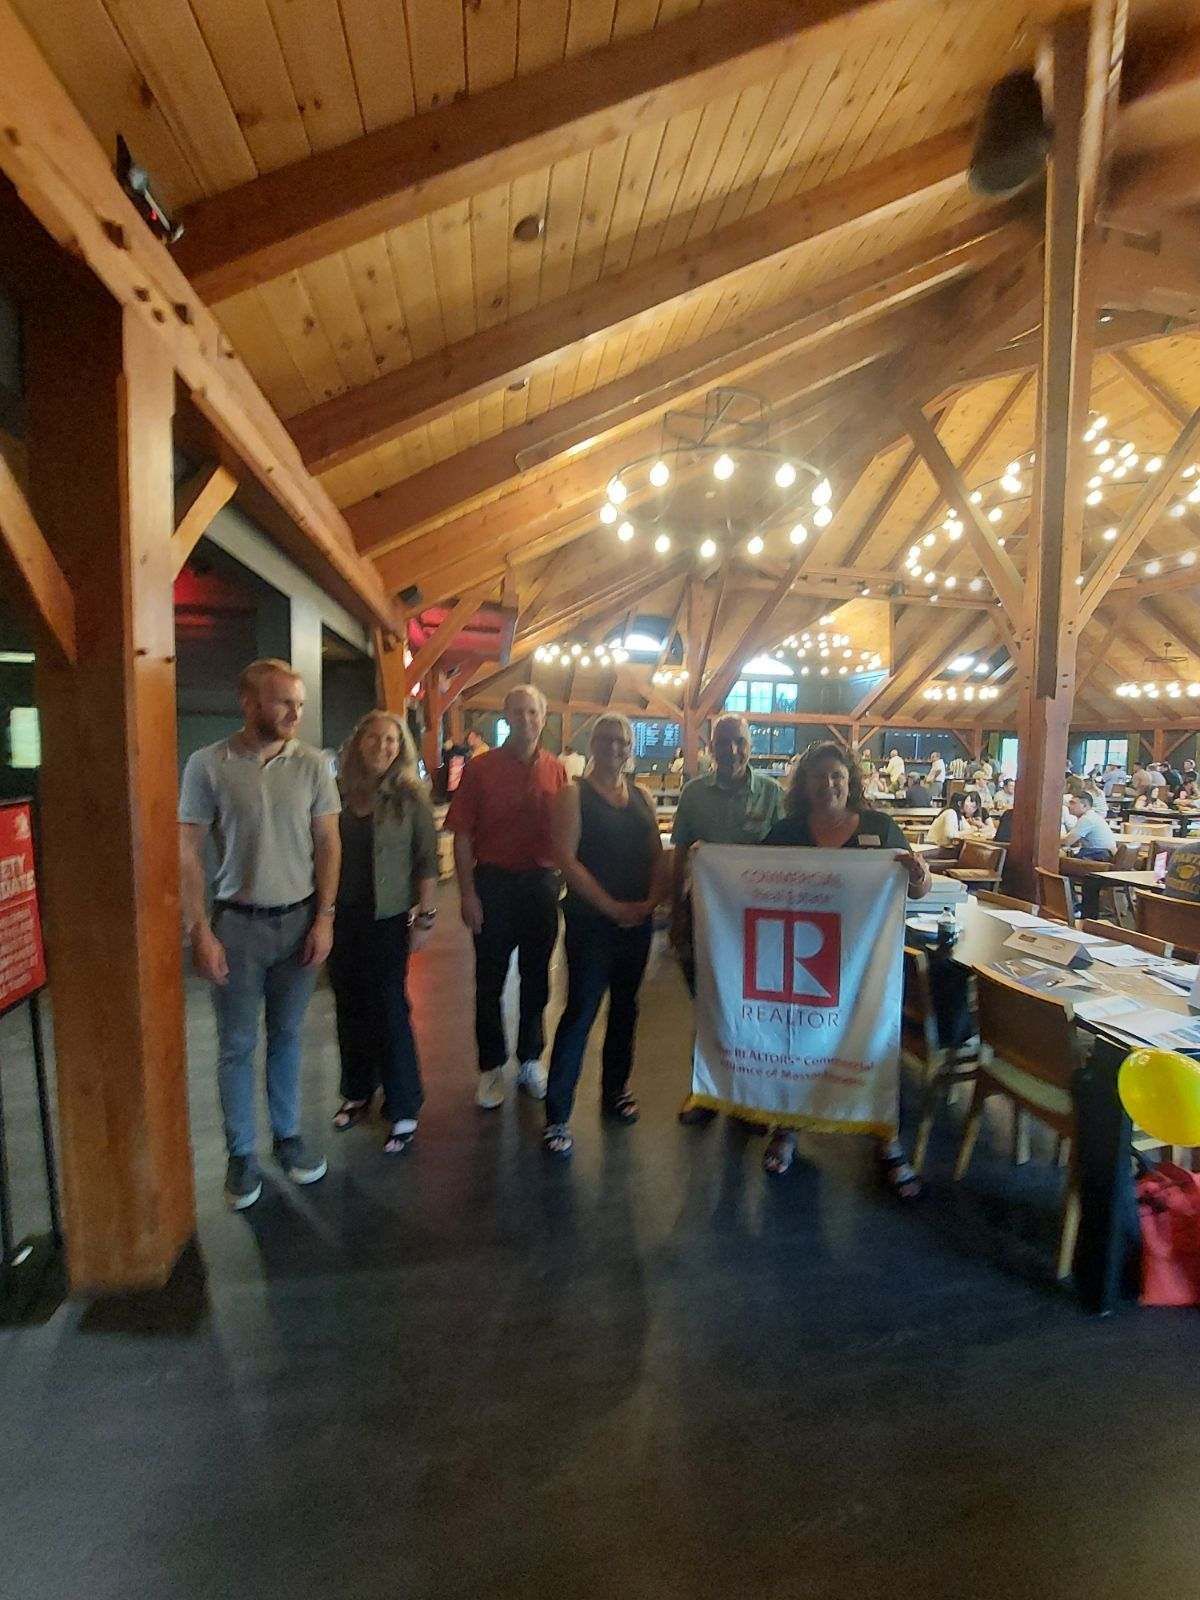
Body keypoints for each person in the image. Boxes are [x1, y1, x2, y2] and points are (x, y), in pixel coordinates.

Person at [179, 658, 340, 1210]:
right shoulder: (208, 764)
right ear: (249, 704)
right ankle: (242, 1153)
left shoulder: (314, 765)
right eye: (283, 702)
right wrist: (199, 930)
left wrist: (325, 916)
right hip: (237, 925)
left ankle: (288, 1136)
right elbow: (188, 851)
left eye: (300, 703)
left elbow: (329, 844)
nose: (296, 712)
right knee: (237, 1045)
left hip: (299, 922)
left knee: (289, 1038)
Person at [758, 742, 931, 1191]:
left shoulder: (880, 826)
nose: (828, 784)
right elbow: (751, 880)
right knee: (794, 1044)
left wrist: (920, 875)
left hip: (866, 961)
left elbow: (918, 891)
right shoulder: (787, 831)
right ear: (805, 785)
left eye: (836, 776)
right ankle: (787, 1129)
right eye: (819, 777)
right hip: (802, 960)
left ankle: (884, 1141)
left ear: (850, 781)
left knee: (873, 1046)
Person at [542, 716, 668, 1157]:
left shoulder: (642, 796)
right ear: (593, 744)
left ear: (630, 747)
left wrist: (651, 902)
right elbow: (566, 860)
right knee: (580, 1011)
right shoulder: (573, 795)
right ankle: (557, 1114)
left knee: (626, 1010)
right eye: (608, 739)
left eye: (623, 741)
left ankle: (616, 1090)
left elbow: (657, 855)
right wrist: (612, 907)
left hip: (636, 922)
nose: (616, 747)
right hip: (592, 923)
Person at [447, 684, 567, 1108]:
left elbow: (569, 834)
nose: (526, 720)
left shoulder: (557, 770)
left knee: (537, 979)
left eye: (533, 712)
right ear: (506, 717)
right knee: (489, 981)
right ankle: (491, 1067)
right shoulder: (481, 769)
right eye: (517, 712)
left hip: (540, 885)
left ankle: (531, 1058)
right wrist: (467, 894)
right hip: (493, 884)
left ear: (544, 715)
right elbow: (461, 835)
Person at [328, 712, 439, 1155]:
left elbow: (426, 861)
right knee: (348, 1004)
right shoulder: (334, 793)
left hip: (388, 918)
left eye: (392, 740)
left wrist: (426, 918)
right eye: (374, 737)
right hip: (339, 917)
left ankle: (404, 1102)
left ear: (401, 746)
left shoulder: (410, 796)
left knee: (390, 1006)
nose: (383, 746)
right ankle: (357, 1091)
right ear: (358, 742)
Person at [670, 713, 785, 1125]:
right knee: (710, 1009)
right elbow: (680, 855)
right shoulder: (693, 794)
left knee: (753, 1012)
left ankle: (750, 1098)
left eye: (738, 742)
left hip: (759, 927)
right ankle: (706, 1094)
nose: (731, 751)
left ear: (750, 745)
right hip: (703, 918)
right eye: (723, 743)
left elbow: (792, 852)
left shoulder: (773, 794)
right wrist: (674, 915)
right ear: (711, 747)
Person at [1062, 792, 1116, 859]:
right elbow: (1074, 841)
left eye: (1073, 803)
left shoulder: (1087, 819)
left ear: (1084, 806)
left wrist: (1050, 841)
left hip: (1099, 856)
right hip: (1104, 854)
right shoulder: (1092, 816)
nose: (1069, 806)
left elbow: (1067, 841)